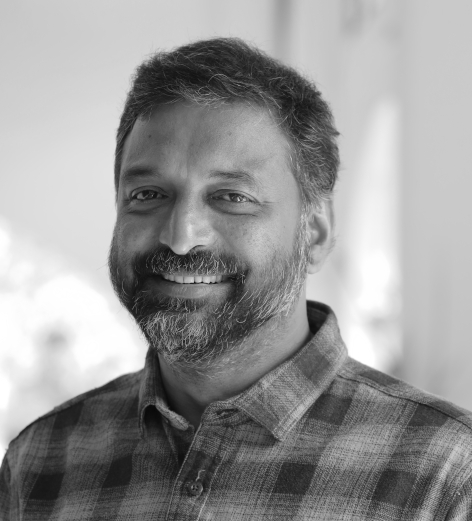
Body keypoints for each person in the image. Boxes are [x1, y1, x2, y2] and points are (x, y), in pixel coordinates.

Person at [1, 37, 471, 521]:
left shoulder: (447, 476)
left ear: (314, 232)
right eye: (147, 194)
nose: (181, 237)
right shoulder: (39, 464)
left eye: (232, 197)